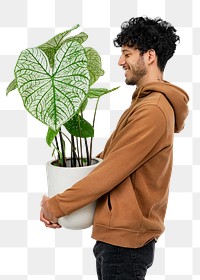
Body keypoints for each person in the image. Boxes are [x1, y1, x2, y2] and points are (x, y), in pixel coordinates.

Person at [40, 16, 189, 279]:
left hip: (125, 244)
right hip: (119, 241)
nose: (121, 62)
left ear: (150, 56)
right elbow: (107, 158)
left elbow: (110, 171)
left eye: (127, 54)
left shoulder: (153, 109)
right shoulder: (145, 104)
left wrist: (58, 206)